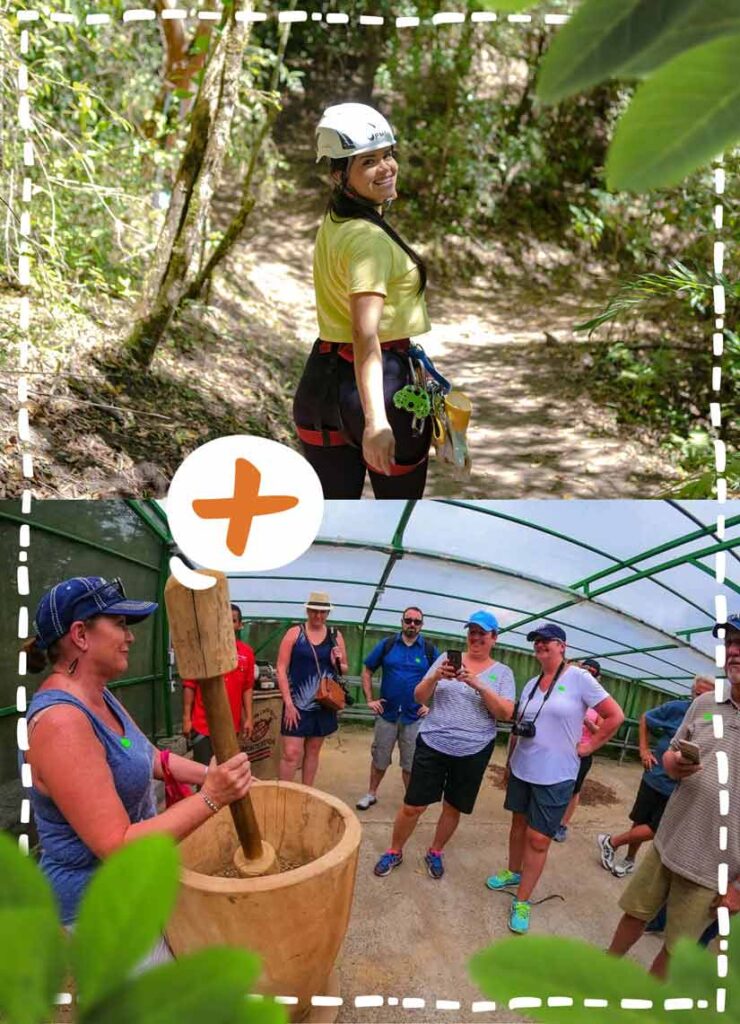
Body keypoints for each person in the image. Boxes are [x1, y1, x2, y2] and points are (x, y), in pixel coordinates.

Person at [23, 576, 252, 937]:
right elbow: (118, 845)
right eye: (119, 624)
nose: (130, 637)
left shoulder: (98, 694)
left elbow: (152, 758)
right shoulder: (61, 723)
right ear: (80, 635)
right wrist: (213, 796)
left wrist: (218, 775)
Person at [293, 102, 435, 499]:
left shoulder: (336, 222)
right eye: (368, 161)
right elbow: (364, 332)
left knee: (336, 520)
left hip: (321, 385)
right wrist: (377, 422)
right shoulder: (368, 240)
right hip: (382, 387)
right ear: (339, 175)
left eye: (388, 155)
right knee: (399, 518)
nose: (386, 167)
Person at [607, 632, 740, 978]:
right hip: (670, 841)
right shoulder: (706, 703)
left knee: (675, 947)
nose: (734, 651)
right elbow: (672, 752)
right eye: (732, 643)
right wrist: (670, 763)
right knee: (635, 912)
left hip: (716, 868)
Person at [486, 623, 624, 935]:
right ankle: (513, 871)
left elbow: (615, 715)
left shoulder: (579, 677)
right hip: (523, 767)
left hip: (557, 774)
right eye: (536, 641)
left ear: (562, 646)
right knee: (518, 826)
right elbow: (521, 724)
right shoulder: (532, 683)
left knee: (539, 838)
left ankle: (523, 900)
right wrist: (509, 761)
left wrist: (590, 745)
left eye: (546, 641)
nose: (540, 645)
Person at [373, 611, 515, 881]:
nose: (475, 637)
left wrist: (478, 684)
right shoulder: (444, 660)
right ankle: (395, 850)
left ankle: (435, 851)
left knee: (453, 806)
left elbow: (505, 713)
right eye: (471, 631)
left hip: (473, 751)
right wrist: (435, 677)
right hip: (433, 743)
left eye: (481, 633)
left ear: (494, 638)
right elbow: (418, 696)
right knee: (413, 804)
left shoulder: (503, 673)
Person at [597, 674, 715, 879]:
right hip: (656, 774)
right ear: (692, 692)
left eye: (706, 696)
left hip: (682, 785)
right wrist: (643, 750)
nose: (700, 699)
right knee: (641, 821)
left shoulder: (710, 717)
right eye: (697, 694)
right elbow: (646, 718)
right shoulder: (677, 708)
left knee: (658, 828)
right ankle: (629, 859)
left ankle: (612, 842)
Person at [356, 607, 439, 810]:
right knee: (380, 757)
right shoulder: (388, 645)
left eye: (416, 622)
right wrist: (370, 699)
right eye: (408, 620)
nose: (412, 624)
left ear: (421, 625)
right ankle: (371, 793)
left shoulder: (429, 650)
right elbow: (367, 670)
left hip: (414, 717)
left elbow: (442, 679)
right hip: (387, 714)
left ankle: (410, 800)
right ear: (402, 621)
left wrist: (431, 707)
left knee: (411, 763)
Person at [277, 591, 348, 787]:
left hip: (323, 702)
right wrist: (288, 704)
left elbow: (344, 668)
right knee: (291, 752)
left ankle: (306, 793)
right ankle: (285, 794)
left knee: (313, 750)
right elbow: (281, 669)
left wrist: (337, 661)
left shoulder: (335, 635)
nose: (318, 616)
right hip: (297, 702)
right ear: (308, 610)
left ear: (327, 613)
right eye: (314, 611)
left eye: (322, 612)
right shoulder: (294, 633)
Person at [182, 603, 255, 765]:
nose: (228, 625)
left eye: (233, 620)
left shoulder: (246, 653)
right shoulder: (203, 651)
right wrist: (186, 718)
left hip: (231, 727)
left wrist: (249, 718)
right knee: (204, 774)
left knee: (227, 772)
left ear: (240, 625)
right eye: (223, 620)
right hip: (203, 725)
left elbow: (247, 688)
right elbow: (190, 685)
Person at [552, 657, 604, 843]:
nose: (587, 676)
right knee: (552, 783)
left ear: (598, 678)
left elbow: (602, 730)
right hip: (560, 748)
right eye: (585, 671)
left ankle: (562, 825)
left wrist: (587, 720)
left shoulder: (599, 702)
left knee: (573, 790)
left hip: (582, 752)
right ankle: (548, 818)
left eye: (592, 673)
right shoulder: (568, 692)